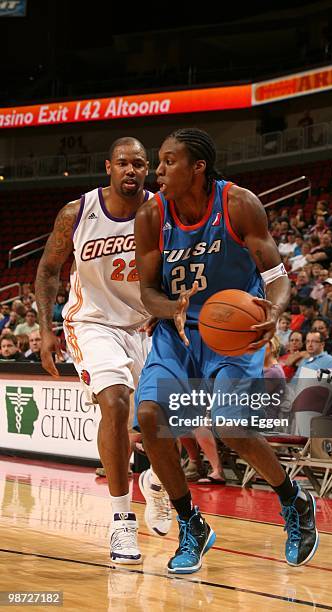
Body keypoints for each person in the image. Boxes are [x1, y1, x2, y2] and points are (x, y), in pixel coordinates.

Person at [134, 128, 318, 574]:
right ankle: (190, 523)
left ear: (198, 167)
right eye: (158, 161)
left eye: (169, 161)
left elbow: (276, 275)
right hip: (177, 332)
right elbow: (147, 291)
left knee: (231, 425)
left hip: (234, 333)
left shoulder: (238, 204)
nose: (158, 170)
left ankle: (293, 501)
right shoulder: (151, 215)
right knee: (150, 418)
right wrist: (171, 308)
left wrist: (273, 312)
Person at [35, 136, 171, 564]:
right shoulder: (77, 214)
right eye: (123, 164)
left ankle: (156, 481)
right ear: (108, 167)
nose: (131, 171)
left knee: (165, 421)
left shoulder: (162, 212)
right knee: (114, 403)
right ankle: (121, 521)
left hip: (145, 325)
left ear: (147, 170)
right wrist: (45, 329)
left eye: (139, 164)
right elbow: (47, 269)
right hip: (91, 322)